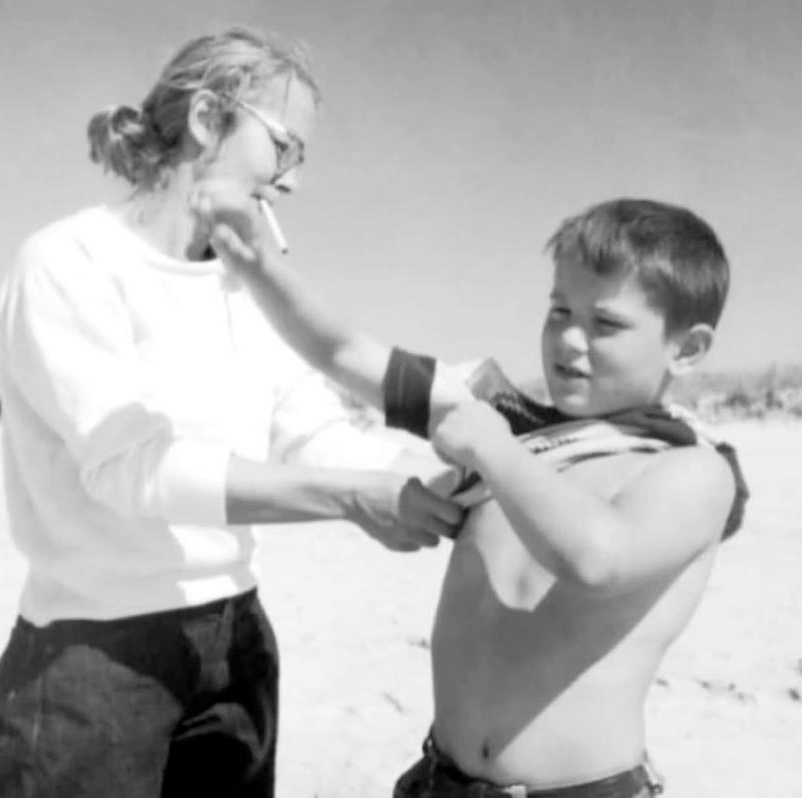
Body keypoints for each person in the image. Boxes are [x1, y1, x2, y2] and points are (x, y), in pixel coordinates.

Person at [0, 26, 468, 798]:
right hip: (94, 656)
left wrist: (443, 475)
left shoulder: (244, 283)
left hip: (238, 637)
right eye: (285, 148)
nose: (293, 182)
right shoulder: (67, 262)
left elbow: (312, 429)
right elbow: (133, 471)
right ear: (208, 119)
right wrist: (350, 499)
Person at [202, 194, 748, 798]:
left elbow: (598, 560)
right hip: (441, 780)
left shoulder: (691, 467)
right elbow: (346, 353)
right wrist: (258, 266)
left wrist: (496, 451)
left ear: (688, 348)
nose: (569, 340)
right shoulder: (513, 421)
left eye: (606, 323)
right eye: (559, 311)